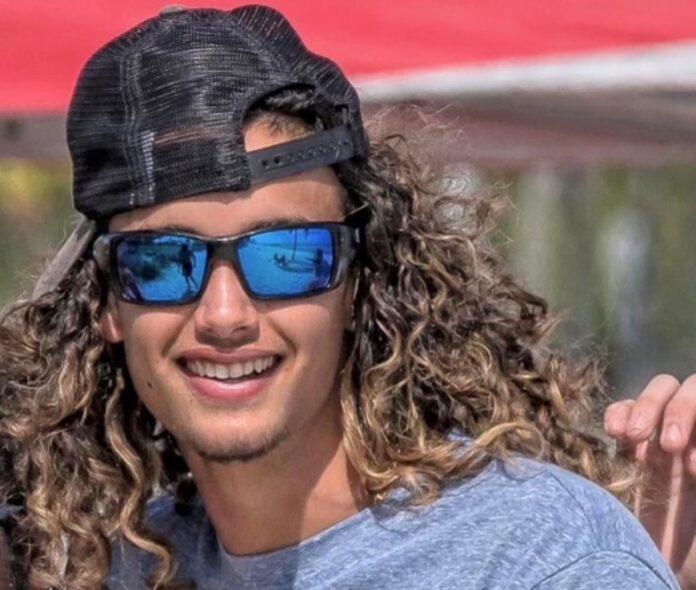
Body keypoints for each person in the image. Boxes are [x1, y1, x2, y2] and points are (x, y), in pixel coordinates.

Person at [0, 5, 693, 590]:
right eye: (162, 261)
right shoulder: (126, 568)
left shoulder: (541, 560)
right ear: (107, 304)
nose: (224, 314)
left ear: (359, 282)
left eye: (287, 256)